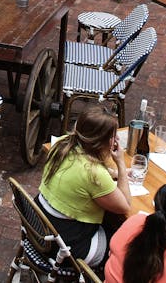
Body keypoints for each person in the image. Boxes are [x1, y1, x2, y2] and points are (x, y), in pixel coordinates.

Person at [37, 106, 131, 268]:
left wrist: (112, 173)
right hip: (66, 246)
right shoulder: (94, 173)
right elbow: (125, 206)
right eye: (114, 136)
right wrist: (121, 165)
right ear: (104, 141)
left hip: (40, 227)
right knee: (129, 244)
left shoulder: (62, 144)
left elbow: (80, 168)